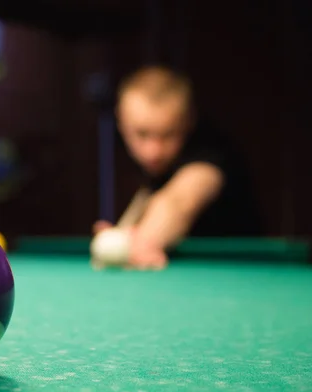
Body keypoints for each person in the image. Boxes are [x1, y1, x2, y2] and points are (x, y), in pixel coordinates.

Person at [93, 65, 262, 270]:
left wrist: (144, 242)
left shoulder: (210, 155)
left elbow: (180, 200)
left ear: (188, 121)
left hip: (239, 274)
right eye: (142, 134)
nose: (153, 151)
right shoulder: (160, 165)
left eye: (168, 134)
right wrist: (123, 234)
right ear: (121, 120)